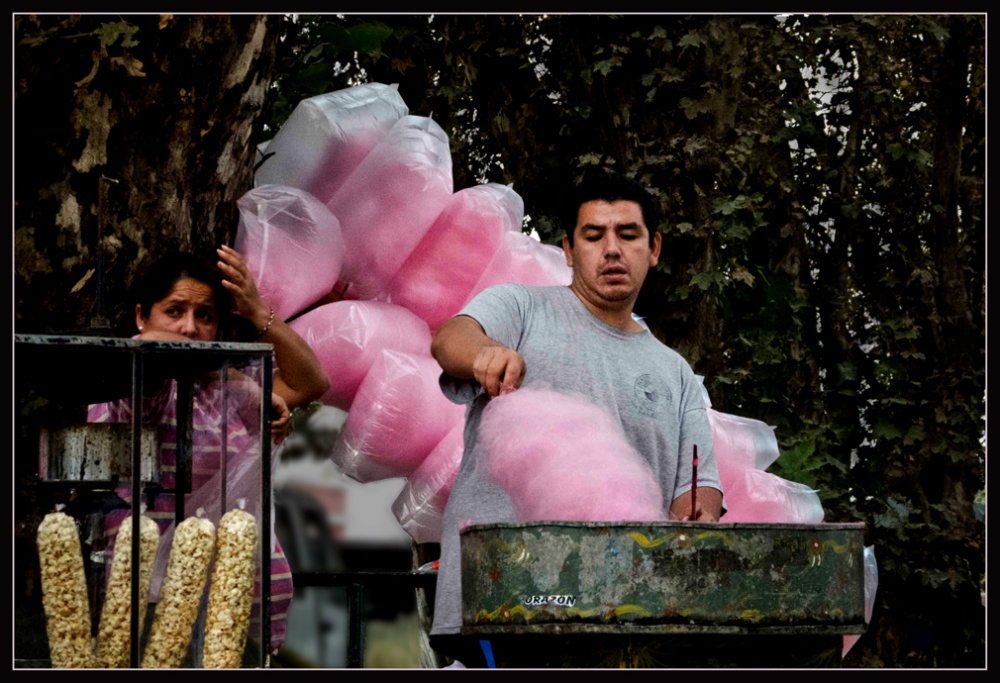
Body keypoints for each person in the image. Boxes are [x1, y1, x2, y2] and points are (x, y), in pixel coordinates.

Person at [427, 170, 725, 667]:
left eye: (628, 235)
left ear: (654, 248)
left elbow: (698, 494)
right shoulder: (521, 307)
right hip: (502, 608)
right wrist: (485, 355)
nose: (612, 249)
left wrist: (700, 515)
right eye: (594, 235)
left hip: (622, 619)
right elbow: (450, 338)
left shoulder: (677, 374)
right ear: (568, 249)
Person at [87, 246, 329, 660]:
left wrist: (258, 311)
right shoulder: (128, 373)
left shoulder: (226, 388)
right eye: (175, 311)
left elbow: (311, 381)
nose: (190, 328)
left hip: (228, 600)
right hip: (147, 594)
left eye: (205, 316)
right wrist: (229, 376)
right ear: (142, 316)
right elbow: (154, 359)